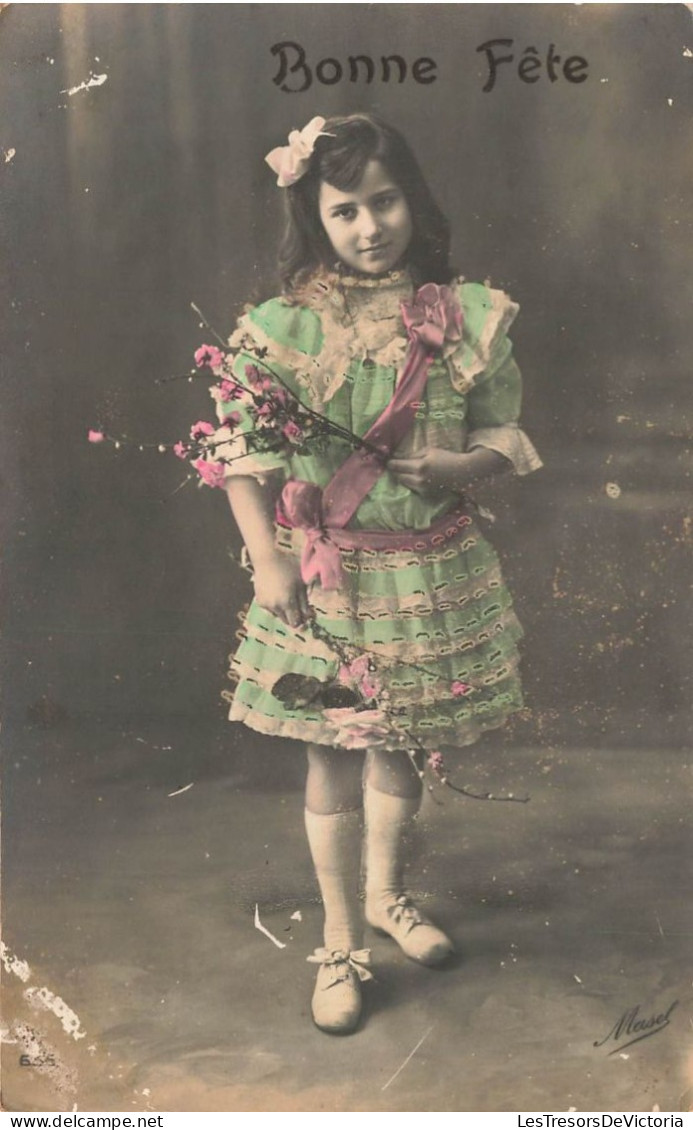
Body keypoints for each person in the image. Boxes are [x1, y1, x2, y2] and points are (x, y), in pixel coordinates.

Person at [194, 113, 542, 1035]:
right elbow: (242, 455)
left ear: (411, 202)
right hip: (329, 577)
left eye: (383, 202)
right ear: (316, 216)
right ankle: (341, 938)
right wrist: (268, 559)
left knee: (400, 743)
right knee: (330, 755)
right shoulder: (285, 328)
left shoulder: (462, 315)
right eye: (343, 210)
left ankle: (389, 897)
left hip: (424, 567)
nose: (368, 226)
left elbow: (502, 428)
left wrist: (468, 469)